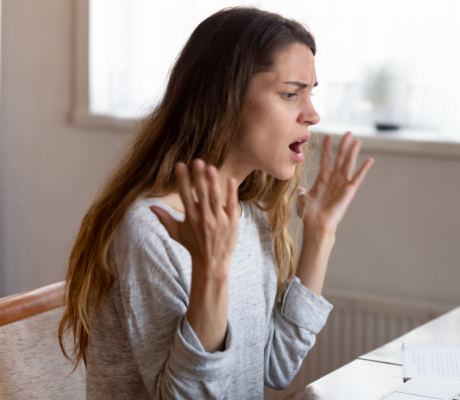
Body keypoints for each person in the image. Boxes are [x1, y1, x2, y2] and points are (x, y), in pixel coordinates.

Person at [59, 6, 373, 400]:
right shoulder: (151, 230)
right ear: (226, 98)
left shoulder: (248, 217)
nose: (312, 114)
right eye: (291, 94)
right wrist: (211, 272)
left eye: (311, 94)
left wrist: (320, 233)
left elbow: (275, 366)